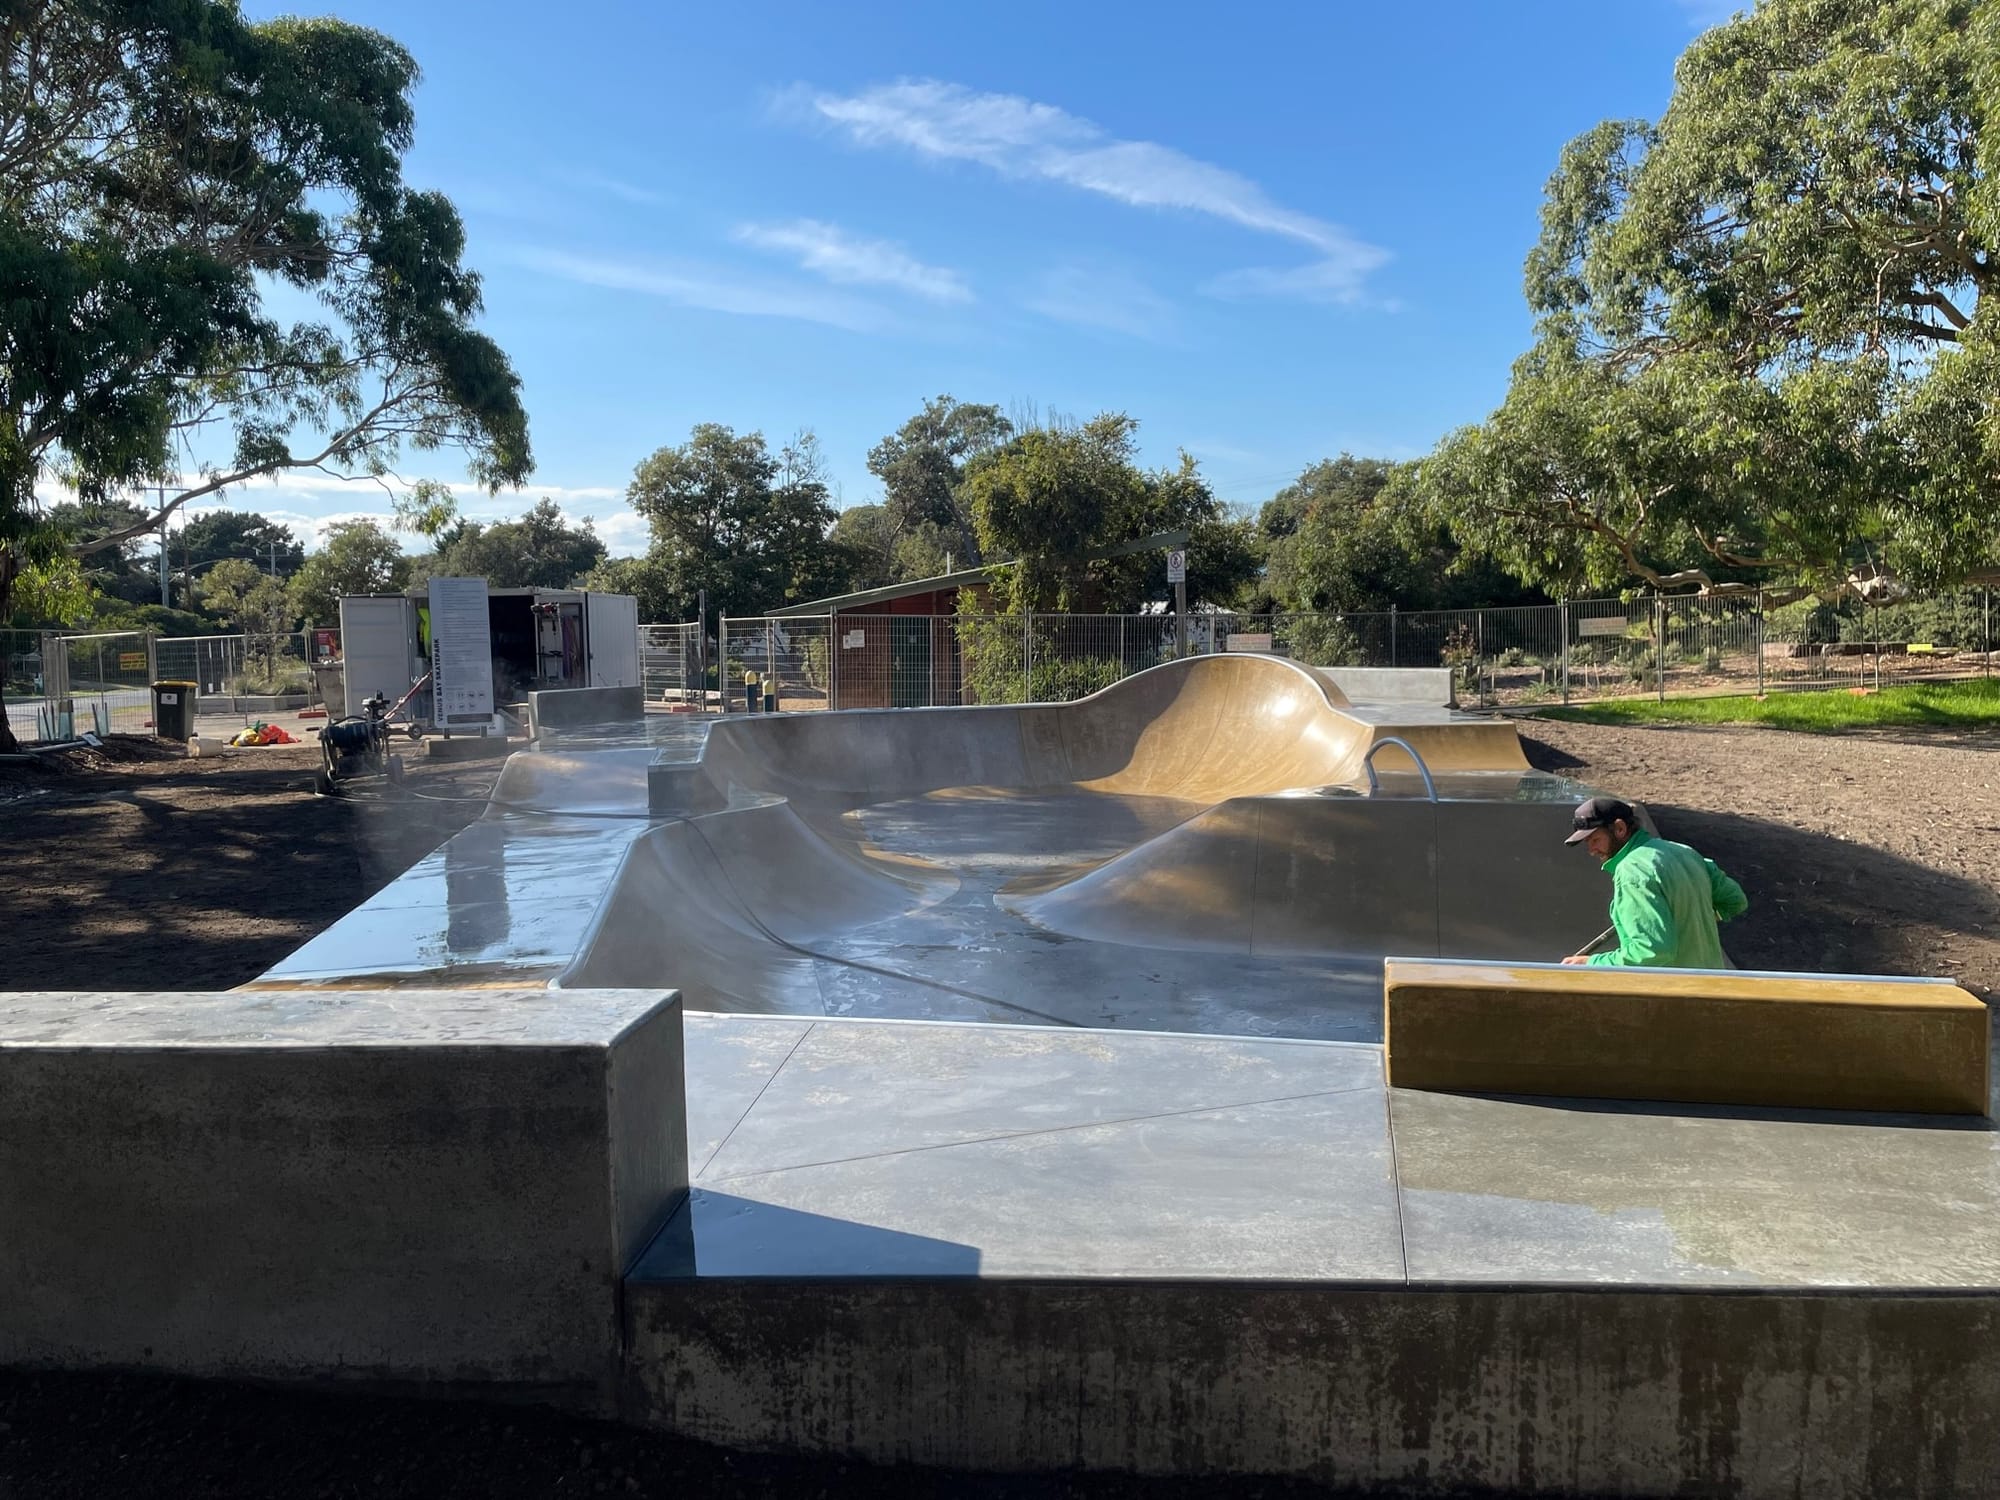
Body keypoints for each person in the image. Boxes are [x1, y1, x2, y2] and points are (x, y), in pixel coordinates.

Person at [1559, 795, 1748, 968]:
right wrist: (1692, 917)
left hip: (1671, 990)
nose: (1591, 850)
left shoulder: (1632, 871)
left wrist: (1592, 962)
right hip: (1713, 984)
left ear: (1619, 829)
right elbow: (1735, 900)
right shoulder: (1685, 852)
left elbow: (1652, 951)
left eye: (1595, 840)